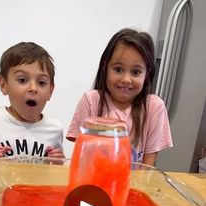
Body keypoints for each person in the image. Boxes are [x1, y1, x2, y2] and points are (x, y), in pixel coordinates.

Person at [66, 28, 172, 166]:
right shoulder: (91, 100)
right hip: (94, 184)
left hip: (132, 186)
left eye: (135, 72)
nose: (126, 79)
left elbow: (148, 167)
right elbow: (82, 157)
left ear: (147, 73)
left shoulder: (154, 106)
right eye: (118, 69)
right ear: (105, 67)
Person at [0, 42, 64, 160]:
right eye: (22, 80)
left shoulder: (54, 129)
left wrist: (56, 162)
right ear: (4, 84)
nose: (33, 88)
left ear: (50, 90)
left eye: (41, 83)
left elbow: (55, 167)